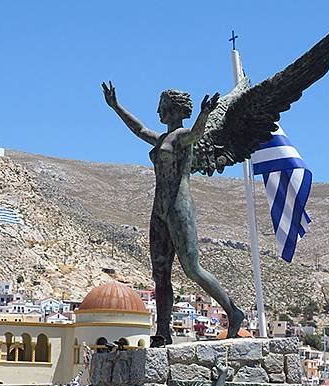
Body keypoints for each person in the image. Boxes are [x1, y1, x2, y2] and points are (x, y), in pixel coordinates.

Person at [102, 83, 245, 345]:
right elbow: (140, 129)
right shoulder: (161, 139)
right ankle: (163, 331)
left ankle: (233, 312)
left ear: (175, 110)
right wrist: (116, 107)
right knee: (160, 273)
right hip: (159, 209)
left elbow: (197, 133)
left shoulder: (182, 137)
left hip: (179, 207)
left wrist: (204, 113)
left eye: (163, 106)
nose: (158, 111)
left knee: (192, 269)